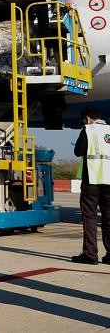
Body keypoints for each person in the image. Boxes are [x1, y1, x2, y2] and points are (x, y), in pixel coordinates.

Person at [72, 106, 110, 265]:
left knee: (90, 218)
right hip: (109, 181)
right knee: (109, 218)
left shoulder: (87, 130)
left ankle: (90, 255)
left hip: (92, 180)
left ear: (87, 118)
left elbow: (78, 151)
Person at [45, 0, 76, 64]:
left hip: (66, 15)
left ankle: (56, 59)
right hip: (68, 15)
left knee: (54, 36)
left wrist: (54, 14)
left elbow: (61, 3)